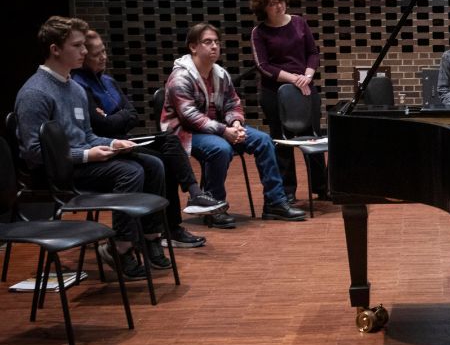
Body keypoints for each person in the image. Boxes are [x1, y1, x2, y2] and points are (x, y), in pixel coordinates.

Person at [15, 16, 169, 277]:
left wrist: (112, 142)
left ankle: (152, 236)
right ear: (55, 50)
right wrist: (87, 155)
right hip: (56, 173)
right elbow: (35, 154)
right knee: (129, 172)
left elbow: (86, 135)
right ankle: (120, 247)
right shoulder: (35, 93)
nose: (85, 52)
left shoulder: (74, 88)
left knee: (152, 163)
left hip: (80, 162)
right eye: (77, 46)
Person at [71, 30, 227, 248]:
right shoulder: (79, 85)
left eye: (104, 51)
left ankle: (195, 194)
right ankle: (167, 229)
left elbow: (133, 115)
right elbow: (101, 126)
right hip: (106, 145)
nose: (103, 57)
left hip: (123, 139)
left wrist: (112, 117)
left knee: (170, 142)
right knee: (163, 162)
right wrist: (116, 118)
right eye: (96, 54)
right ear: (84, 56)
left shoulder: (108, 81)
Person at [161, 22, 307, 227]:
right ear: (193, 47)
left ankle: (275, 202)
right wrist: (225, 131)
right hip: (185, 133)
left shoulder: (220, 74)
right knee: (220, 149)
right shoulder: (181, 77)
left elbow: (233, 103)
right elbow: (190, 117)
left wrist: (236, 123)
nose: (214, 47)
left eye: (216, 42)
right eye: (207, 42)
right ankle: (214, 207)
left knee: (264, 140)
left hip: (220, 129)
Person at [249, 0, 328, 202]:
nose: (279, 6)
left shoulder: (299, 22)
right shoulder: (259, 32)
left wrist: (307, 76)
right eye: (272, 3)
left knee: (312, 137)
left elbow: (313, 53)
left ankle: (322, 188)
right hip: (275, 92)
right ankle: (288, 191)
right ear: (263, 7)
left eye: (280, 1)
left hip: (305, 87)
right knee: (282, 142)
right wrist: (293, 79)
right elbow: (263, 66)